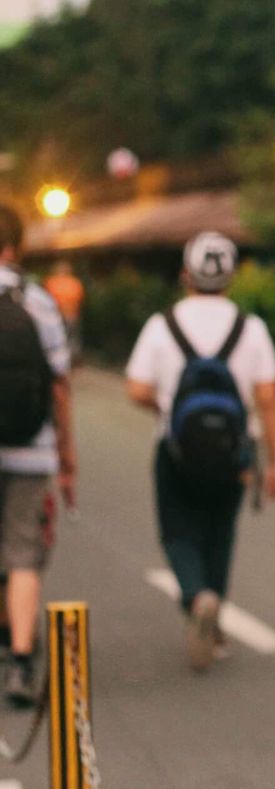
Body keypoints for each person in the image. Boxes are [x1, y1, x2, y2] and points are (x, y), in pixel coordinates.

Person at [125, 232, 275, 672]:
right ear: (232, 278)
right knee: (220, 533)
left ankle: (197, 597)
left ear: (184, 275)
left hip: (176, 450)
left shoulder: (163, 325)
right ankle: (214, 629)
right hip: (236, 452)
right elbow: (268, 397)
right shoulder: (250, 329)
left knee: (179, 531)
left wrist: (164, 406)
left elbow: (136, 387)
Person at [0, 203, 76, 705]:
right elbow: (60, 385)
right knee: (24, 552)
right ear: (17, 246)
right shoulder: (39, 301)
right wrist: (67, 458)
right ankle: (21, 661)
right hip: (31, 448)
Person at [43, 260, 85, 361]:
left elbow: (45, 299)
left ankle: (63, 359)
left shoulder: (52, 282)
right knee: (71, 338)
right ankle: (71, 359)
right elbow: (80, 299)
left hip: (60, 315)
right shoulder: (75, 283)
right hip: (70, 314)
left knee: (61, 338)